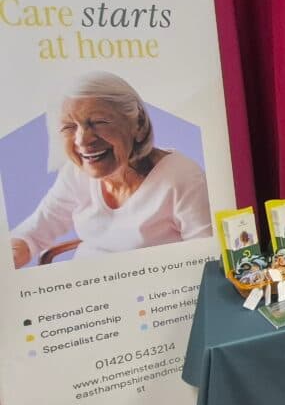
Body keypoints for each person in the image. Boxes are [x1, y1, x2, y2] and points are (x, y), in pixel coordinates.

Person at [10, 71, 212, 267]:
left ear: (139, 124)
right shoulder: (75, 174)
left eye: (99, 122)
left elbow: (207, 259)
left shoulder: (183, 178)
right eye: (69, 127)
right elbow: (33, 233)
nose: (82, 140)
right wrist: (15, 252)